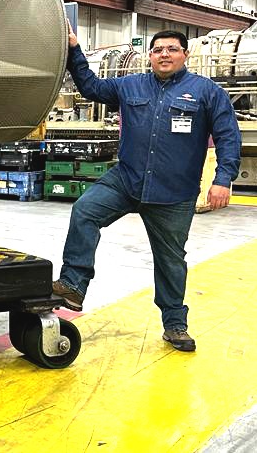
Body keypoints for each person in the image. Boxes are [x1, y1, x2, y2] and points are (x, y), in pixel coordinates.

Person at [52, 27, 241, 352]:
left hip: (174, 193)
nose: (164, 54)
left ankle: (175, 324)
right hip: (127, 180)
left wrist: (223, 178)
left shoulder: (207, 92)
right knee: (85, 210)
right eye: (157, 50)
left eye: (171, 49)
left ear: (185, 54)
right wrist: (73, 48)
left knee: (171, 261)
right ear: (150, 56)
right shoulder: (130, 85)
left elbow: (228, 136)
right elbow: (92, 87)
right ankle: (73, 283)